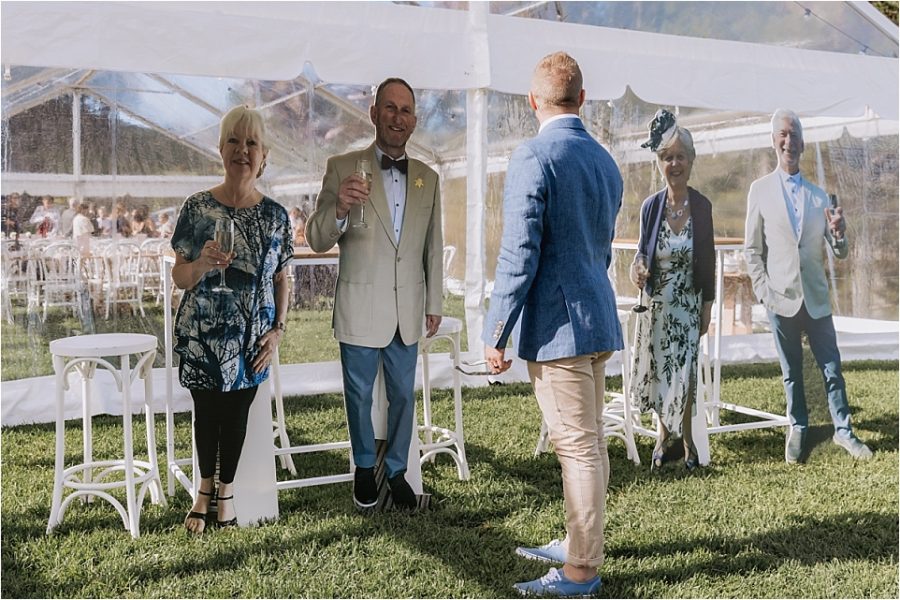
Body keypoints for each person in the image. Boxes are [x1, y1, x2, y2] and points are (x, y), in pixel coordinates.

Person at [483, 52, 623, 597]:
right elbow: (601, 248)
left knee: (578, 447)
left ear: (532, 101)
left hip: (560, 328)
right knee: (590, 443)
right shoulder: (605, 162)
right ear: (582, 100)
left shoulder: (533, 156)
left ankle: (581, 571)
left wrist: (497, 333)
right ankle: (577, 544)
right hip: (596, 319)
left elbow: (519, 254)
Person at [306, 77, 443, 511]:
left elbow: (432, 246)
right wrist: (340, 208)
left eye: (405, 111)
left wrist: (434, 302)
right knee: (359, 395)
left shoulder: (428, 178)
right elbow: (316, 238)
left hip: (409, 307)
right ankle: (365, 467)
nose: (397, 118)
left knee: (404, 396)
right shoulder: (342, 166)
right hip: (360, 306)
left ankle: (398, 471)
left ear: (414, 121)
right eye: (390, 108)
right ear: (373, 113)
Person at [171, 105, 292, 534]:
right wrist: (202, 265)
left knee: (237, 413)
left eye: (252, 142)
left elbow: (282, 279)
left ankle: (226, 493)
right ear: (220, 149)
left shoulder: (276, 216)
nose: (243, 150)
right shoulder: (198, 208)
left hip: (252, 339)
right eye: (234, 141)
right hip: (202, 332)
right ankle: (203, 491)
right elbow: (179, 276)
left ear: (264, 156)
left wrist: (277, 332)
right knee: (206, 411)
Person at [744, 108, 872, 464]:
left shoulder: (819, 196)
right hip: (780, 300)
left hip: (816, 298)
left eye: (795, 134)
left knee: (832, 368)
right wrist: (764, 293)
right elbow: (752, 250)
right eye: (783, 134)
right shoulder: (760, 191)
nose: (790, 141)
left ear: (803, 142)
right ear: (774, 141)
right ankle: (798, 428)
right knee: (792, 373)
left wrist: (839, 234)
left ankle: (843, 431)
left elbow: (840, 252)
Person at [629, 110, 715, 472]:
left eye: (680, 156)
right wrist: (637, 270)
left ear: (691, 161)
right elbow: (640, 254)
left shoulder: (701, 206)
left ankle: (690, 444)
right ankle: (664, 441)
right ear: (659, 163)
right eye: (667, 157)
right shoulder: (651, 207)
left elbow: (708, 261)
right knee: (662, 372)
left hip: (689, 302)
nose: (674, 163)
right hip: (658, 304)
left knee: (686, 374)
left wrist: (708, 306)